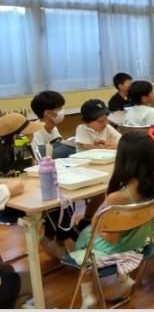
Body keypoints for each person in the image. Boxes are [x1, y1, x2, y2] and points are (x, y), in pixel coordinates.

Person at [71, 132, 154, 308]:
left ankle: (88, 295)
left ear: (122, 159)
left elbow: (108, 234)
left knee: (84, 238)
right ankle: (123, 279)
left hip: (117, 247)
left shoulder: (117, 197)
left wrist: (90, 220)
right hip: (142, 240)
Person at [31, 91, 79, 258]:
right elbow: (38, 160)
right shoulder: (35, 132)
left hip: (58, 174)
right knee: (59, 204)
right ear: (47, 113)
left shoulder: (54, 129)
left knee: (69, 201)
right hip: (42, 178)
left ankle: (58, 237)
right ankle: (55, 238)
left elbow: (59, 149)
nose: (62, 112)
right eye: (59, 108)